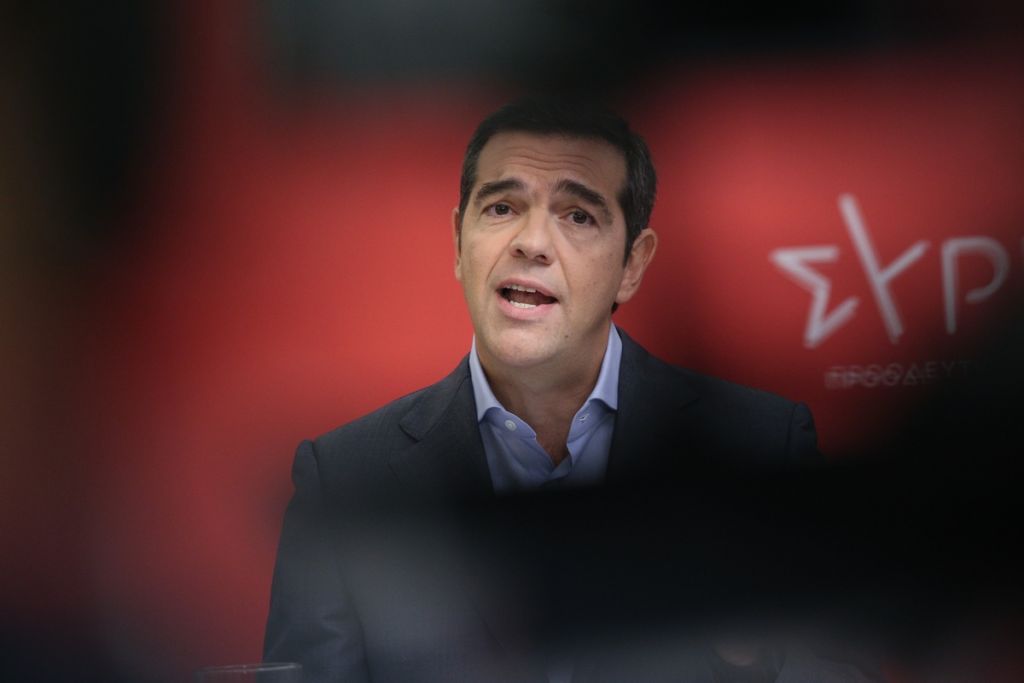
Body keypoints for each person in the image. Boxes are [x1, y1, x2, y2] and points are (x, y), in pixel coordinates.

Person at [263, 97, 876, 683]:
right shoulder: (343, 479)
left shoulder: (759, 449)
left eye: (578, 215)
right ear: (457, 242)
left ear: (633, 264)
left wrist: (747, 651)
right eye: (501, 207)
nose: (531, 243)